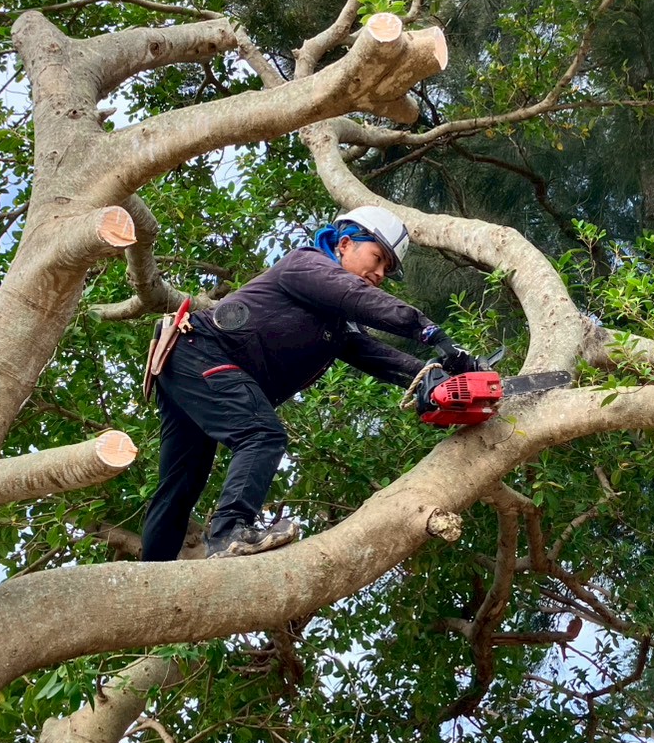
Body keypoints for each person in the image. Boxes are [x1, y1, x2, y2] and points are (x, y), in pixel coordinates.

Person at [140, 206, 479, 562]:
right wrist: (435, 336)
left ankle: (148, 577)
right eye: (378, 258)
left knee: (179, 486)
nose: (379, 274)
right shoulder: (307, 264)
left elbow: (375, 354)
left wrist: (436, 376)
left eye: (386, 270)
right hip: (200, 353)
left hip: (190, 367)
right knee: (261, 433)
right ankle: (230, 531)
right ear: (345, 244)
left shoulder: (336, 322)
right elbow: (358, 298)